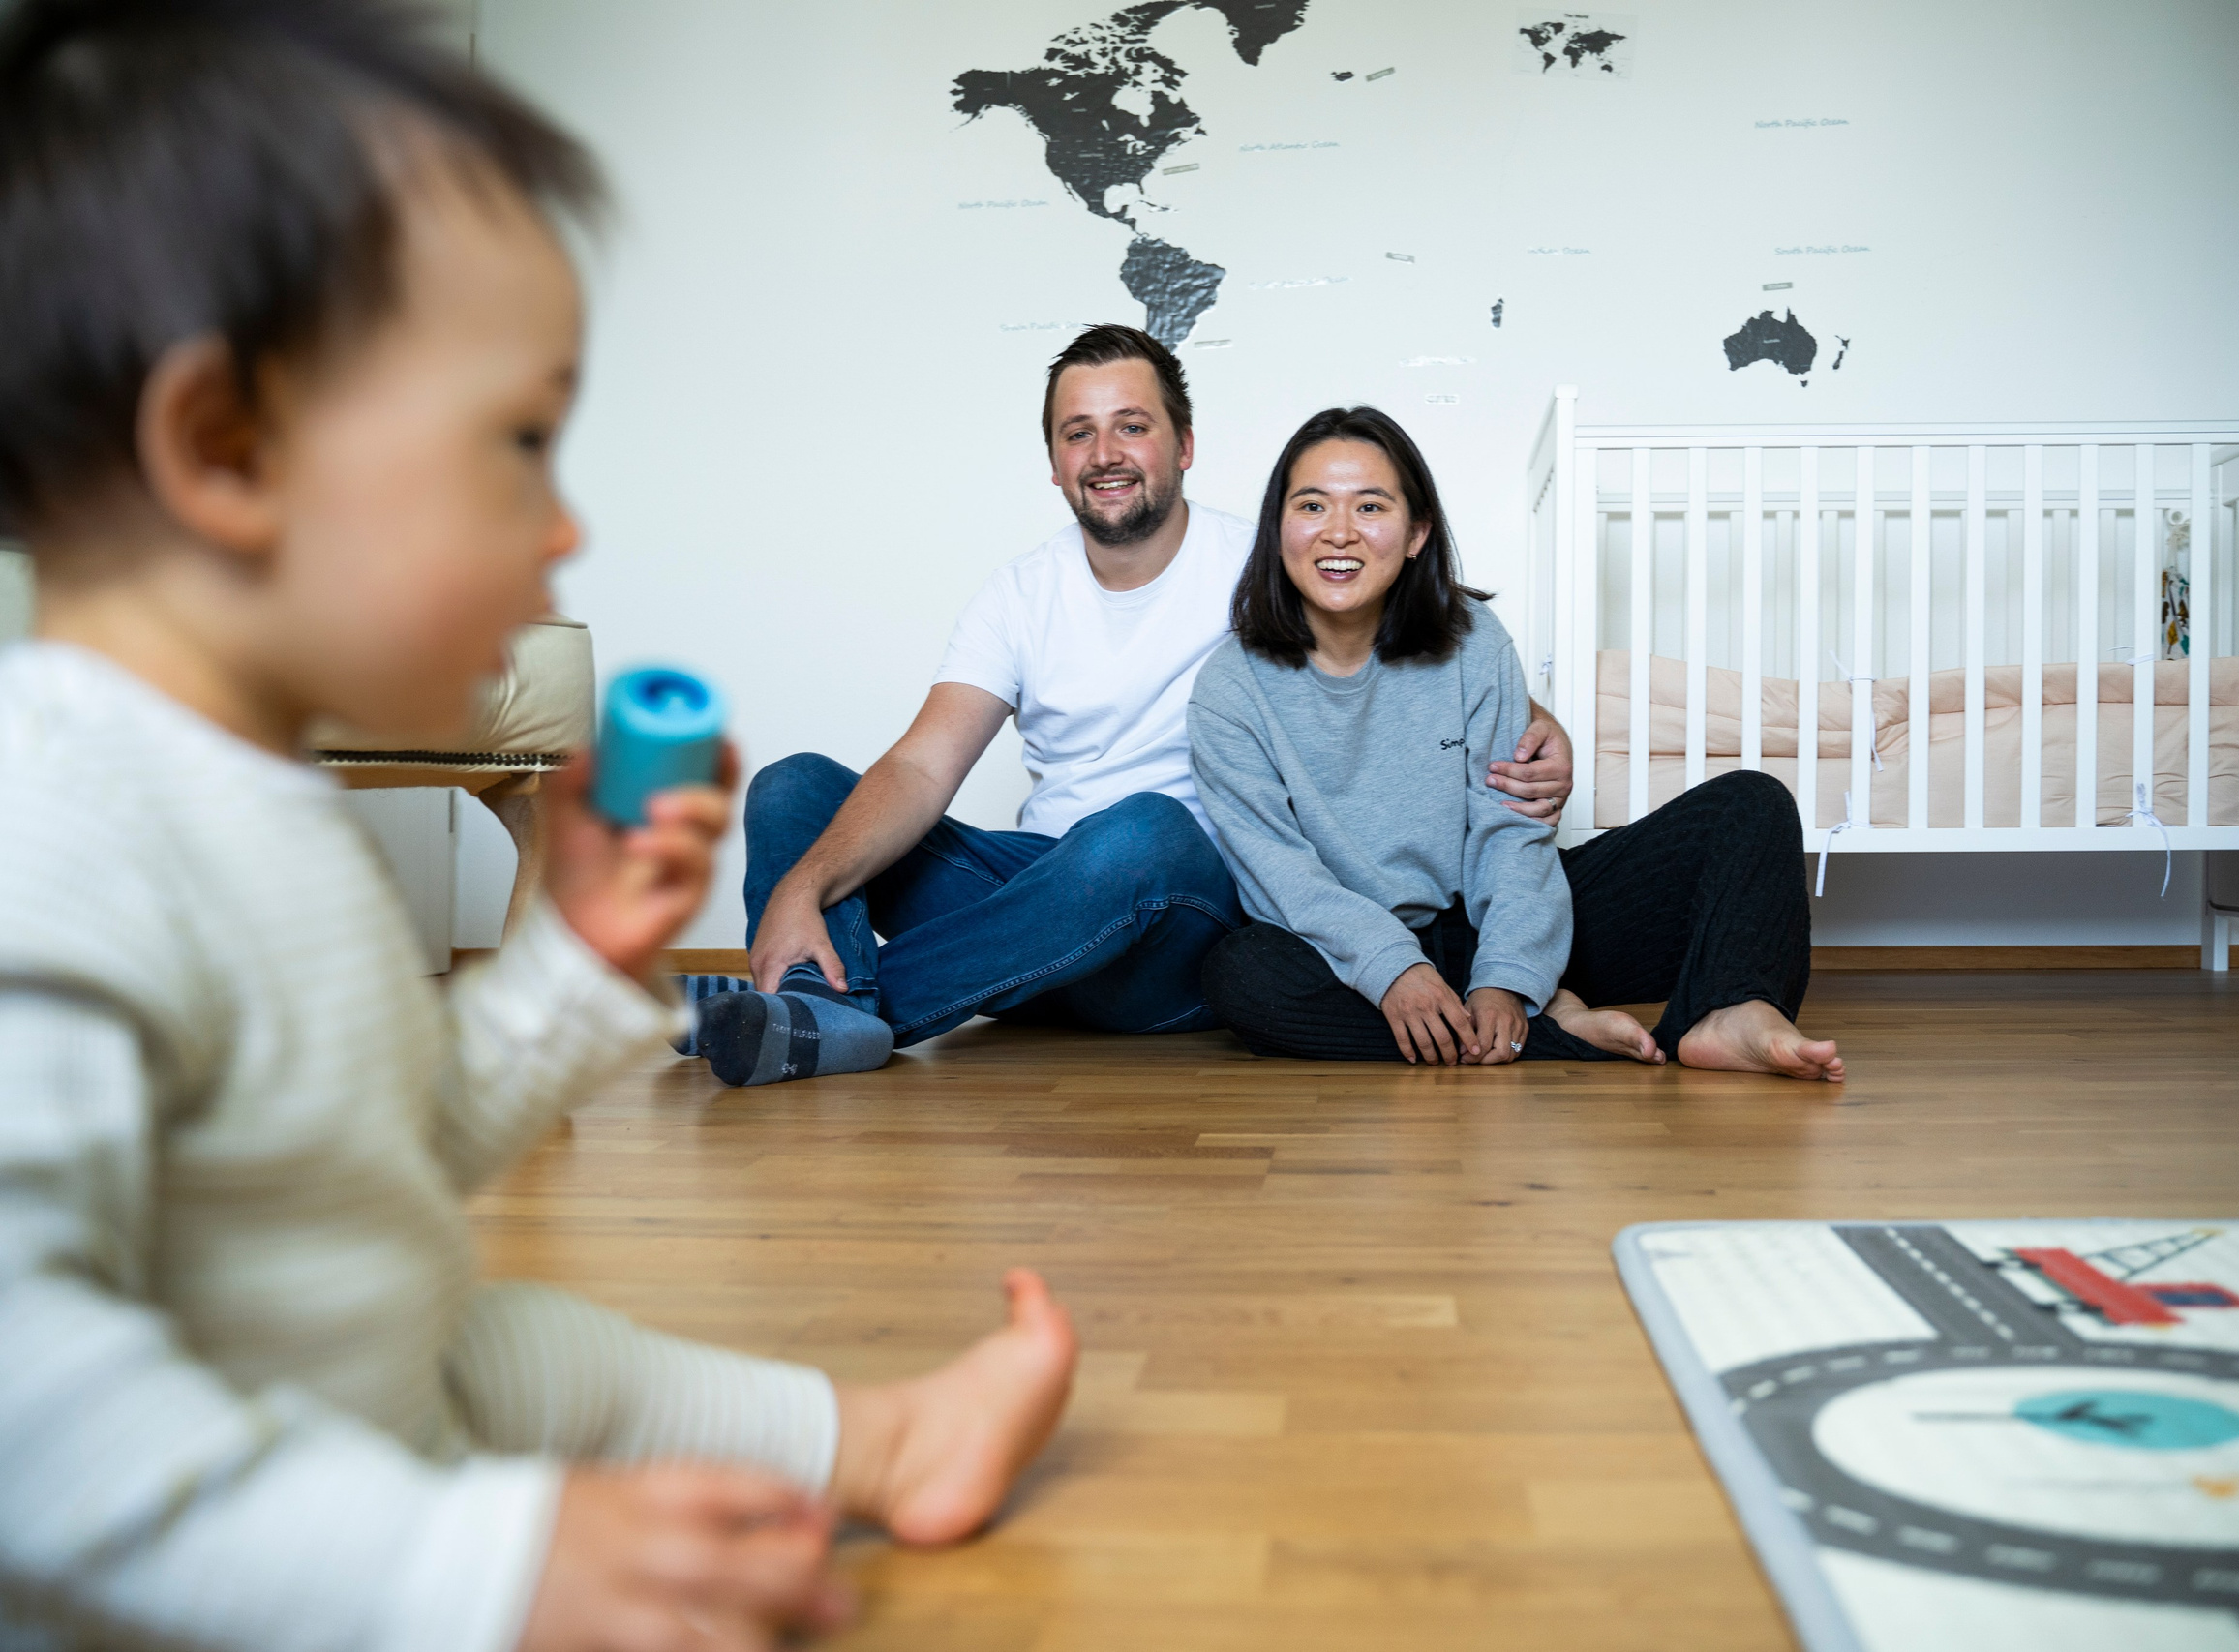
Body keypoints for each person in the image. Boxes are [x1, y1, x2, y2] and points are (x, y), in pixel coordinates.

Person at [0, 5, 1075, 1649]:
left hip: (341, 1384)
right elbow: (34, 1421)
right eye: (516, 442)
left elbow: (380, 1155)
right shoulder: (60, 833)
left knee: (522, 1341)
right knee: (480, 1360)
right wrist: (476, 1573)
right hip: (182, 1544)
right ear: (226, 450)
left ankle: (885, 1439)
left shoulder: (272, 810)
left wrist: (571, 958)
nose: (565, 519)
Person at [685, 325, 1580, 1085]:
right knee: (792, 789)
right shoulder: (1019, 594)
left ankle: (813, 1010)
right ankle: (810, 1009)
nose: (1105, 453)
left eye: (1132, 426)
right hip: (1040, 902)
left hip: (1183, 924)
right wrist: (802, 885)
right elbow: (922, 766)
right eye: (1079, 433)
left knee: (1139, 830)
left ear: (1183, 445)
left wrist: (1543, 723)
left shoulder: (1264, 561)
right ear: (1053, 463)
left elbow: (1417, 632)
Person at [1190, 406, 1845, 1081]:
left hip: (1496, 920)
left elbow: (1511, 830)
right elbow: (1286, 882)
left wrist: (1506, 975)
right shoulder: (1230, 690)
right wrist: (1395, 969)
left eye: (1371, 506)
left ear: (1416, 533)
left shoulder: (1473, 639)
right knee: (1241, 974)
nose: (1338, 532)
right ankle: (1551, 1031)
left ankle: (1732, 1009)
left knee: (1751, 805)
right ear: (1278, 528)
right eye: (1312, 505)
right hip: (1349, 953)